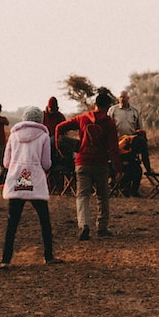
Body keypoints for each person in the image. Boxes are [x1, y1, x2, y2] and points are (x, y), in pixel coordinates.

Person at [55, 90, 122, 240]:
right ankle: (102, 227)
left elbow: (59, 128)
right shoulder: (110, 124)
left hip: (82, 162)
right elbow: (113, 148)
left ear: (95, 104)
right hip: (100, 163)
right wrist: (118, 169)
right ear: (108, 107)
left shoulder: (82, 118)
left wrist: (61, 149)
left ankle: (84, 225)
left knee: (82, 195)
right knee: (103, 196)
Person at [0, 107, 61, 267]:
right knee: (44, 220)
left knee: (12, 222)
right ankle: (48, 256)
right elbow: (46, 164)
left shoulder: (13, 135)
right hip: (36, 181)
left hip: (17, 179)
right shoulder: (44, 136)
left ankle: (6, 260)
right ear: (40, 119)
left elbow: (6, 163)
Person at [110, 90, 152, 187]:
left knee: (132, 164)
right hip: (117, 142)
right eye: (120, 97)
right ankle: (116, 183)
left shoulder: (134, 111)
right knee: (116, 163)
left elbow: (139, 127)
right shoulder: (113, 110)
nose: (122, 99)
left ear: (128, 98)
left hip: (131, 142)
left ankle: (128, 185)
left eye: (124, 97)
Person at [41, 96, 70, 194]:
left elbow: (65, 130)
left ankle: (59, 187)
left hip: (57, 146)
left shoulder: (60, 116)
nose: (53, 112)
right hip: (44, 145)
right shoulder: (42, 116)